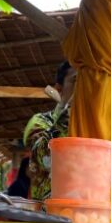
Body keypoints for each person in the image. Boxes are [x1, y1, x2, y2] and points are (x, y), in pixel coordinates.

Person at [23, 61, 76, 200]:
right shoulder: (39, 122)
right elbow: (46, 159)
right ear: (59, 88)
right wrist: (70, 112)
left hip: (85, 214)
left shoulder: (94, 129)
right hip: (48, 216)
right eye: (76, 80)